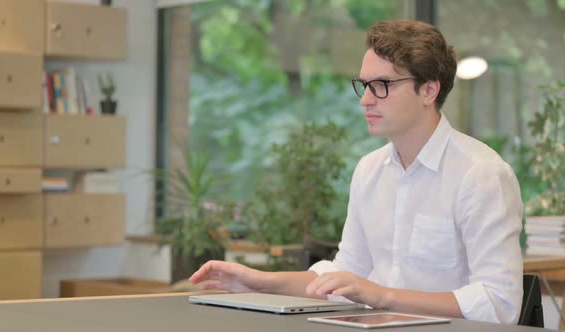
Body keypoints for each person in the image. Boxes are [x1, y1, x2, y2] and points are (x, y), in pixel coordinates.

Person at [190, 19, 523, 324]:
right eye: (364, 85)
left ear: (428, 90)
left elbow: (499, 302)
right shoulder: (370, 170)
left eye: (381, 85)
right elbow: (345, 274)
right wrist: (262, 282)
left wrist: (382, 295)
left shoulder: (481, 174)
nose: (365, 100)